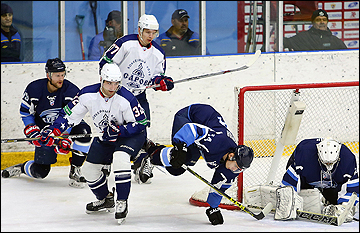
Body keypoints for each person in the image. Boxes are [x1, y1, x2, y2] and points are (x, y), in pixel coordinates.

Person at [39, 63, 148, 224]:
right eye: (109, 83)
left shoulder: (127, 98)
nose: (113, 87)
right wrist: (54, 131)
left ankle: (121, 202)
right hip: (105, 136)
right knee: (88, 170)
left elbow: (141, 123)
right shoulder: (86, 94)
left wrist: (120, 130)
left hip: (129, 136)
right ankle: (106, 199)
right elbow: (68, 115)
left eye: (116, 83)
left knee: (120, 158)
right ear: (101, 80)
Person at [142, 103, 254, 225]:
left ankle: (157, 153)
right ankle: (151, 153)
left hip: (201, 134)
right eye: (236, 167)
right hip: (189, 117)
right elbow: (192, 129)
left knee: (177, 169)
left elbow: (219, 185)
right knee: (179, 156)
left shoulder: (233, 166)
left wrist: (213, 208)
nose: (235, 170)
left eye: (239, 169)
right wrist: (181, 146)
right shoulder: (217, 142)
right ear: (231, 156)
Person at [99, 14, 174, 184]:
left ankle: (141, 162)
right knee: (112, 128)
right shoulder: (125, 43)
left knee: (140, 131)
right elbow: (105, 62)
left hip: (139, 97)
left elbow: (156, 77)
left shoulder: (158, 53)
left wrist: (161, 82)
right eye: (147, 32)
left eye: (154, 32)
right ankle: (104, 161)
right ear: (139, 29)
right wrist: (113, 84)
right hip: (116, 95)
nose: (150, 36)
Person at [1, 58, 92, 189]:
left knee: (84, 133)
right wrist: (32, 129)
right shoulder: (34, 89)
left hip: (69, 127)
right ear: (48, 75)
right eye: (57, 76)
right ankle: (21, 168)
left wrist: (64, 137)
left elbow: (72, 116)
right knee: (40, 172)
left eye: (62, 75)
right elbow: (26, 113)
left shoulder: (71, 91)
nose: (60, 79)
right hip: (44, 133)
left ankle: (75, 170)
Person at [281, 137, 359, 222]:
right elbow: (289, 182)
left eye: (331, 163)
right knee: (302, 199)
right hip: (309, 175)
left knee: (335, 202)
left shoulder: (348, 159)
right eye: (325, 163)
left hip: (332, 181)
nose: (328, 166)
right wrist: (287, 200)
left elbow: (353, 191)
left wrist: (345, 207)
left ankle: (327, 198)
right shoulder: (304, 154)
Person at [283, 9, 347, 51]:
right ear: (313, 22)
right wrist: (277, 42)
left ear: (327, 22)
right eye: (318, 20)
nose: (322, 22)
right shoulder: (303, 37)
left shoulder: (335, 41)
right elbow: (285, 42)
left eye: (324, 20)